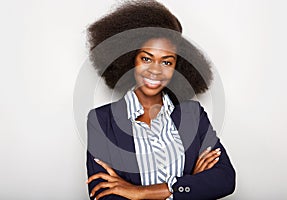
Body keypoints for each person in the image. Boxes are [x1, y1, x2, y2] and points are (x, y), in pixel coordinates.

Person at [85, 1, 235, 199]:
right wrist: (191, 183)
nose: (155, 70)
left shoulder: (192, 115)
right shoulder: (102, 120)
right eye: (146, 59)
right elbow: (104, 194)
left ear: (176, 68)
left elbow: (225, 179)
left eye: (166, 62)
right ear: (131, 60)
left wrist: (141, 192)